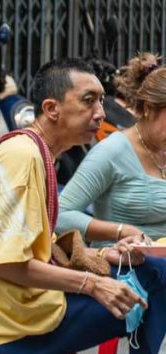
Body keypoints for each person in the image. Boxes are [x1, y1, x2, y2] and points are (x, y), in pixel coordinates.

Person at [0, 58, 166, 354]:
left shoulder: (34, 152)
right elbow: (4, 263)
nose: (99, 112)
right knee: (154, 283)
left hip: (9, 308)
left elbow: (36, 248)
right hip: (7, 322)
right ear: (51, 108)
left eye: (100, 100)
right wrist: (94, 283)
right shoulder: (23, 155)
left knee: (149, 277)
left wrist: (100, 255)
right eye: (88, 100)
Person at [57, 53, 166, 245]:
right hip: (122, 269)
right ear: (149, 108)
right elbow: (60, 215)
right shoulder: (112, 152)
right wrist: (121, 231)